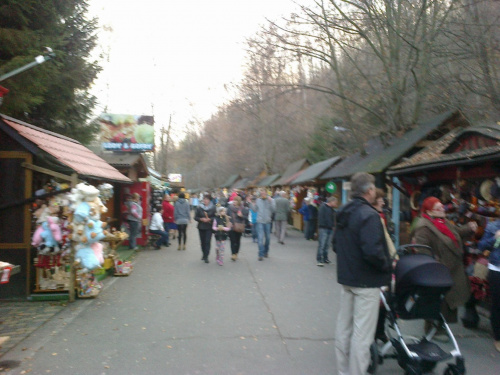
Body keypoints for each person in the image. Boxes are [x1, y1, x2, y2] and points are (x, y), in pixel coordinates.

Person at [334, 172, 392, 375]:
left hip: (347, 279)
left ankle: (343, 371)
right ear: (369, 190)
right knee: (362, 336)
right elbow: (373, 252)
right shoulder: (369, 215)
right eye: (374, 187)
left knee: (344, 330)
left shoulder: (343, 212)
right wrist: (387, 266)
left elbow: (335, 245)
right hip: (367, 282)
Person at [412, 196, 477, 330]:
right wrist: (435, 264)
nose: (443, 209)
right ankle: (432, 328)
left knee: (447, 300)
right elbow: (422, 250)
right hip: (437, 270)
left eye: (442, 206)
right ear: (429, 212)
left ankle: (441, 327)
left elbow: (456, 233)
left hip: (451, 269)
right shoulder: (424, 228)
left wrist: (469, 228)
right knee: (437, 300)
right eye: (438, 208)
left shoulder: (443, 222)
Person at [477, 222, 500, 352]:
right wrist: (495, 238)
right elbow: (481, 246)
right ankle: (498, 337)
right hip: (497, 270)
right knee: (497, 304)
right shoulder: (493, 227)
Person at [248, 188, 276, 261]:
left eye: (264, 193)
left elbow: (274, 210)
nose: (263, 194)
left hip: (267, 221)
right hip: (259, 221)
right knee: (260, 238)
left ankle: (266, 251)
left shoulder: (271, 200)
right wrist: (250, 203)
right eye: (261, 193)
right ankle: (260, 254)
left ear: (266, 193)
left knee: (268, 238)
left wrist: (270, 202)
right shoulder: (258, 200)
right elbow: (254, 210)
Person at [316, 196, 338, 267]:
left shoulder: (331, 209)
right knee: (322, 244)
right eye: (335, 202)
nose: (336, 204)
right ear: (331, 201)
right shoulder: (323, 207)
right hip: (324, 228)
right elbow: (323, 218)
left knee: (327, 245)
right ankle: (319, 259)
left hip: (329, 228)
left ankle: (325, 258)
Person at [194, 194, 216, 263]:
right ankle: (203, 254)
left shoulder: (213, 207)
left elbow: (215, 217)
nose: (205, 201)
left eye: (207, 199)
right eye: (204, 199)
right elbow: (195, 217)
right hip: (201, 226)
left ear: (209, 200)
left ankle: (206, 256)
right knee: (202, 242)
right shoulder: (199, 207)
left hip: (209, 227)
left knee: (207, 242)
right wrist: (201, 219)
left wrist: (210, 219)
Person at [226, 196, 249, 261]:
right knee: (232, 240)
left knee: (237, 240)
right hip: (232, 226)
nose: (234, 202)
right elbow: (227, 215)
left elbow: (246, 218)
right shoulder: (230, 207)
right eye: (234, 200)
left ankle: (236, 253)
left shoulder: (243, 209)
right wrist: (227, 221)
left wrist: (242, 216)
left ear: (239, 202)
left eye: (236, 201)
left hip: (239, 227)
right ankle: (233, 254)